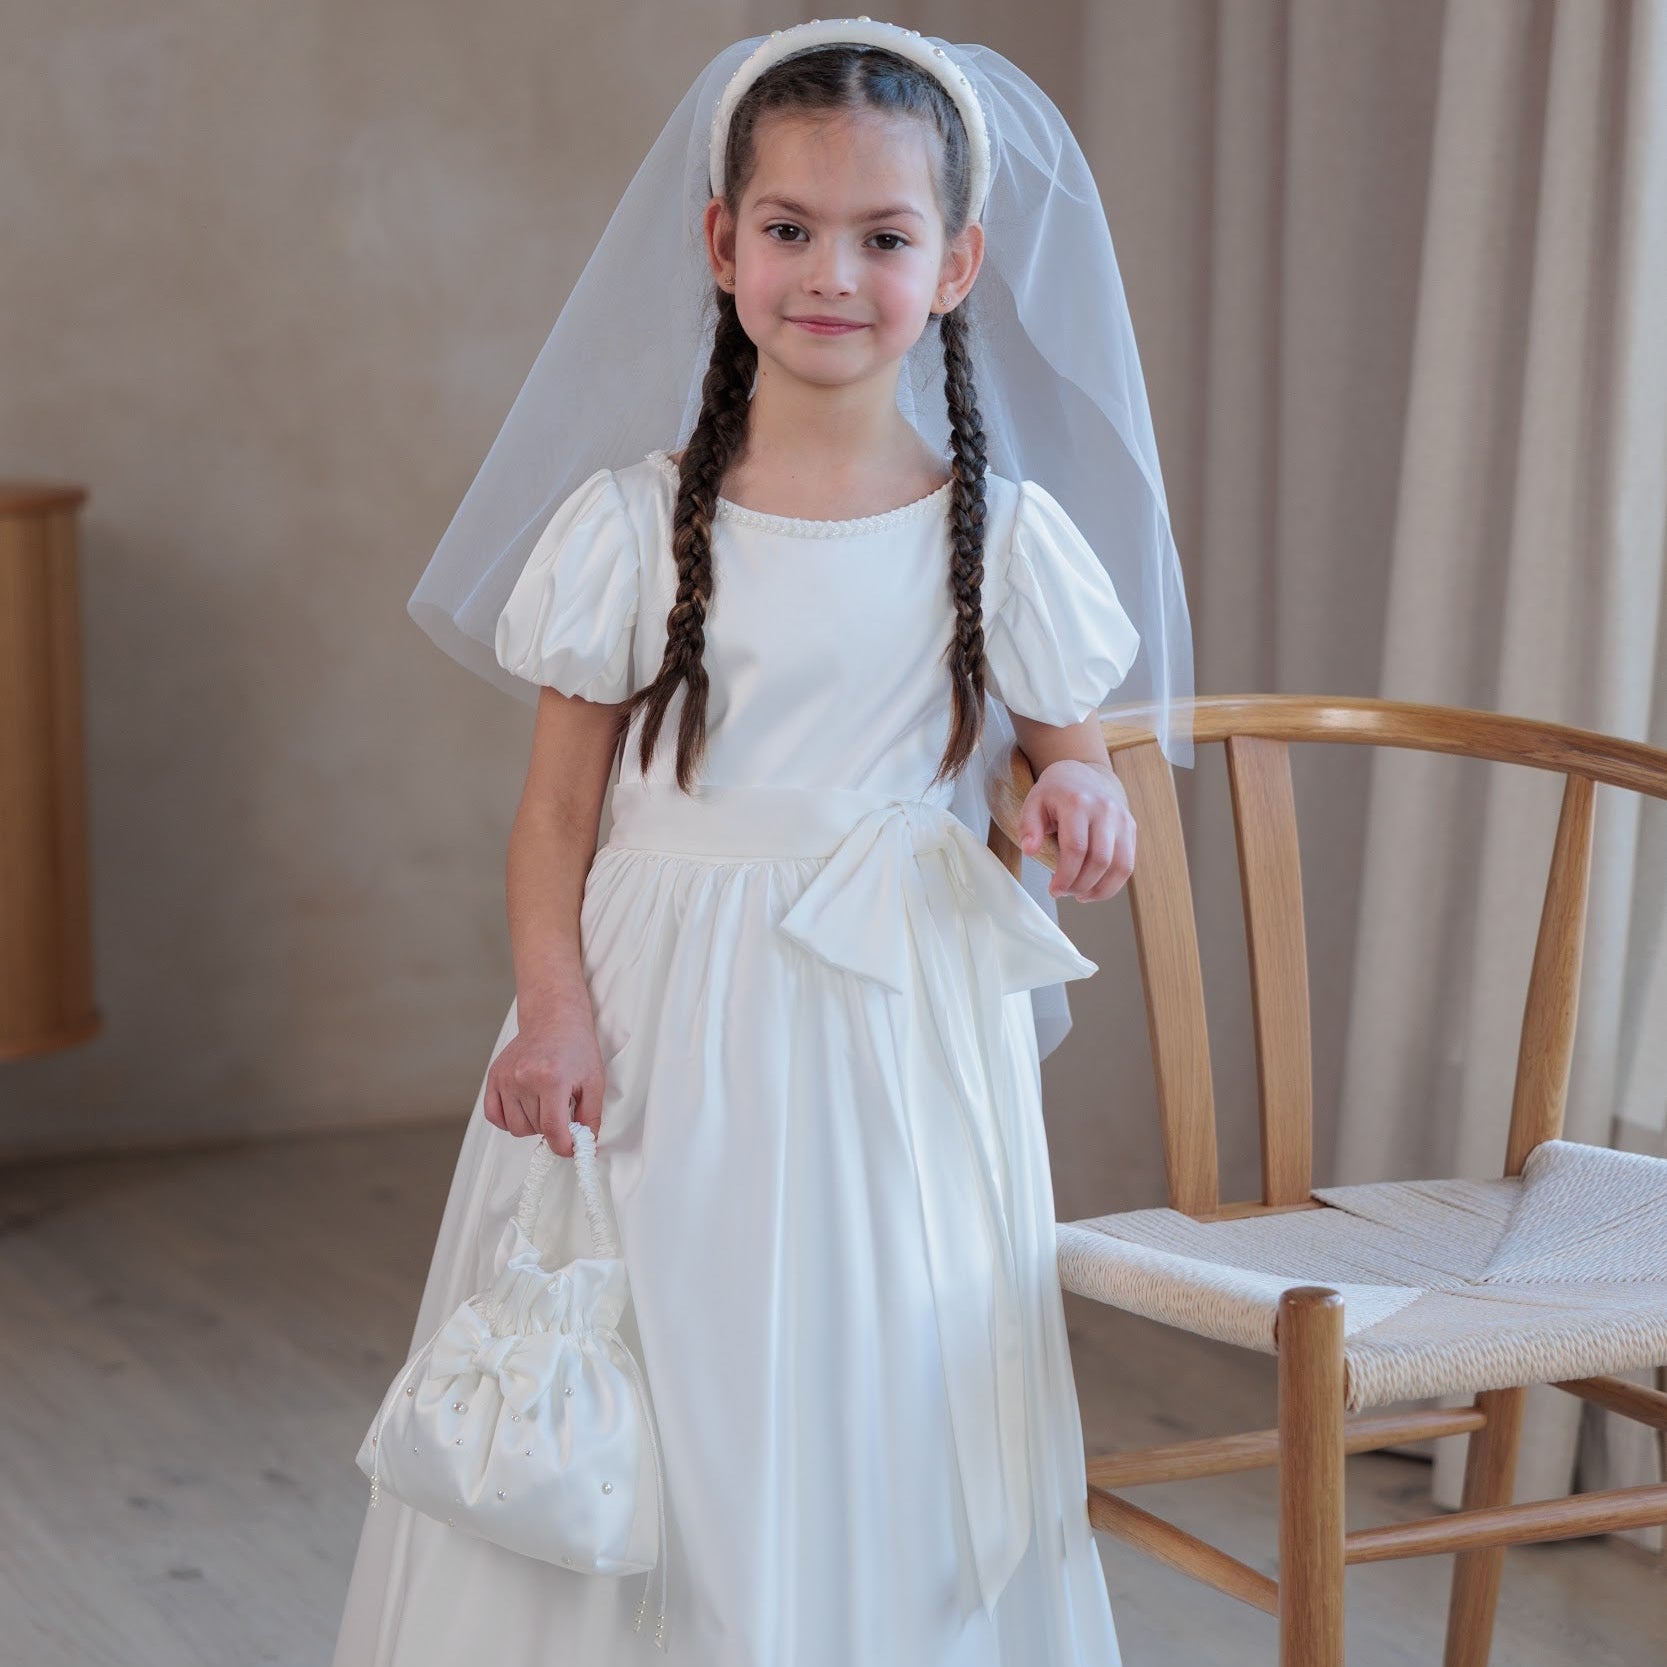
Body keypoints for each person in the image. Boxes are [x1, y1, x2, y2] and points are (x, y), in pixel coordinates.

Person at [331, 17, 1192, 1666]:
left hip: (894, 1027)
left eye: (885, 236)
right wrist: (555, 1008)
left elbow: (1061, 775)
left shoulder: (1001, 535)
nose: (831, 272)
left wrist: (1080, 800)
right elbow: (557, 815)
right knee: (665, 1359)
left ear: (956, 266)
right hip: (657, 1011)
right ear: (722, 244)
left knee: (882, 1360)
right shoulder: (631, 526)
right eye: (790, 229)